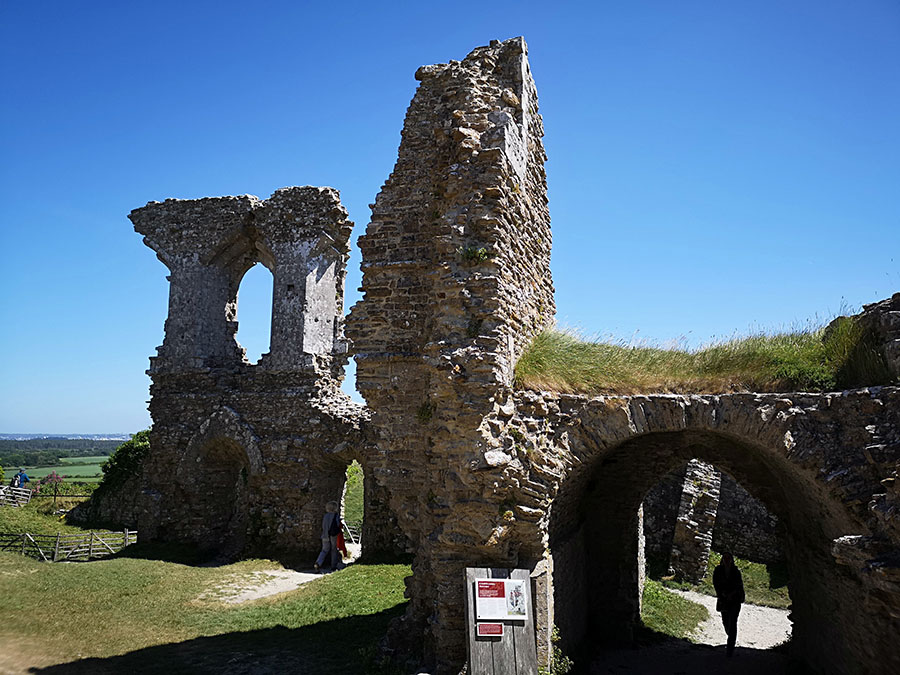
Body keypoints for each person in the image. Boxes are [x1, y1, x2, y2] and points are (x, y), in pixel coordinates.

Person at [713, 552, 745, 657]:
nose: (727, 560)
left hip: (735, 600)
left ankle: (730, 648)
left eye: (729, 558)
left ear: (731, 559)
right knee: (726, 622)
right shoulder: (718, 570)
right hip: (724, 600)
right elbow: (716, 583)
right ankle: (731, 637)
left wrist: (732, 594)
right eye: (725, 558)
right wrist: (722, 593)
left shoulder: (736, 571)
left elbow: (739, 585)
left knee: (733, 623)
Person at [314, 501, 341, 572]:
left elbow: (323, 526)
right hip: (333, 535)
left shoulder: (325, 516)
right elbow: (338, 525)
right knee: (334, 549)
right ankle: (333, 566)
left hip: (325, 535)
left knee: (324, 550)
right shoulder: (336, 516)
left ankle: (318, 563)